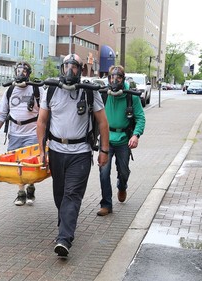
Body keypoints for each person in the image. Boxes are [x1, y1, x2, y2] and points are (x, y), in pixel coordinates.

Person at [36, 53, 109, 257]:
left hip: (81, 153)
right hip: (57, 152)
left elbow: (103, 123)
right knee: (59, 195)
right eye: (66, 65)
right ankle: (64, 228)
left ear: (81, 69)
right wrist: (42, 150)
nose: (70, 70)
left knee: (72, 195)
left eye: (74, 66)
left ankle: (64, 239)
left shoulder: (89, 91)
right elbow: (41, 122)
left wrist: (104, 150)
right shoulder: (50, 90)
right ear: (61, 68)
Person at [0, 61, 45, 206]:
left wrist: (46, 135)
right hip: (15, 133)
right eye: (18, 71)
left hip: (32, 133)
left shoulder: (38, 90)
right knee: (17, 165)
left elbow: (46, 113)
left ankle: (30, 187)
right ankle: (21, 192)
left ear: (28, 74)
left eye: (24, 71)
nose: (20, 74)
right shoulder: (10, 91)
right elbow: (2, 113)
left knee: (29, 163)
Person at [97, 65, 146, 216]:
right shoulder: (104, 94)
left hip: (124, 140)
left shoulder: (131, 96)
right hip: (106, 139)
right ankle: (106, 204)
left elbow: (140, 118)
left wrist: (135, 135)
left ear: (123, 79)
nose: (115, 80)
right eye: (112, 77)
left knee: (123, 171)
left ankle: (122, 185)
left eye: (118, 77)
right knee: (103, 172)